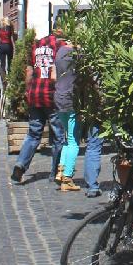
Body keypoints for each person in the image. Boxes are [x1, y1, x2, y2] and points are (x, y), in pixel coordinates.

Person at [10, 28, 63, 184]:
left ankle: (20, 165)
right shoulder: (60, 46)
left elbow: (29, 71)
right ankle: (55, 173)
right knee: (59, 136)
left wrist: (28, 91)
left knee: (33, 134)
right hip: (51, 95)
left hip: (35, 93)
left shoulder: (36, 45)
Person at [52, 32, 81, 193]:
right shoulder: (74, 54)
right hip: (70, 98)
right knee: (73, 141)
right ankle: (67, 177)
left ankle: (61, 170)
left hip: (59, 96)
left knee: (66, 138)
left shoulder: (60, 52)